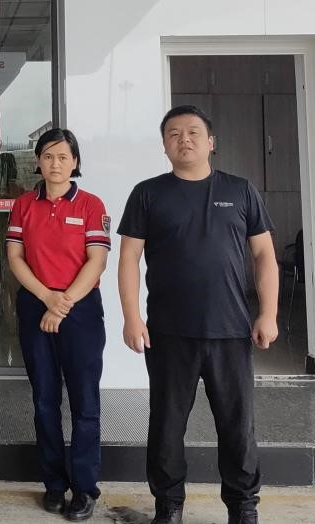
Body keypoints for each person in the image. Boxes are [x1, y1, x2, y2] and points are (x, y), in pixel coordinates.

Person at [117, 105, 279, 524]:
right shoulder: (148, 193)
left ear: (211, 142)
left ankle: (243, 507)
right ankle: (169, 506)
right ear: (164, 146)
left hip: (230, 330)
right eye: (173, 134)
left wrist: (268, 314)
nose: (183, 139)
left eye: (192, 132)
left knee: (237, 425)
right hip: (169, 333)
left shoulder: (241, 191)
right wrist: (131, 317)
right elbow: (129, 258)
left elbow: (264, 255)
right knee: (167, 425)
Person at [5, 128, 111, 521]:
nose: (55, 164)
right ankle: (53, 483)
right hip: (36, 305)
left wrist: (62, 303)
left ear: (75, 162)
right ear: (38, 161)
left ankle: (84, 488)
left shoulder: (90, 205)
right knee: (44, 400)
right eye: (48, 156)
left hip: (81, 311)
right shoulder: (23, 206)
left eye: (63, 156)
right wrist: (47, 298)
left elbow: (97, 261)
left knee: (85, 402)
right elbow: (15, 258)